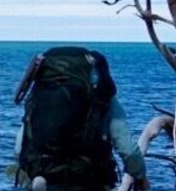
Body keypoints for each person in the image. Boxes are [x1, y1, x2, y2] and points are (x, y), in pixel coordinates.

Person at [13, 46, 147, 191]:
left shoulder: (38, 97)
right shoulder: (103, 100)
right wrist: (140, 176)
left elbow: (19, 148)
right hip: (88, 180)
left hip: (44, 175)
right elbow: (128, 150)